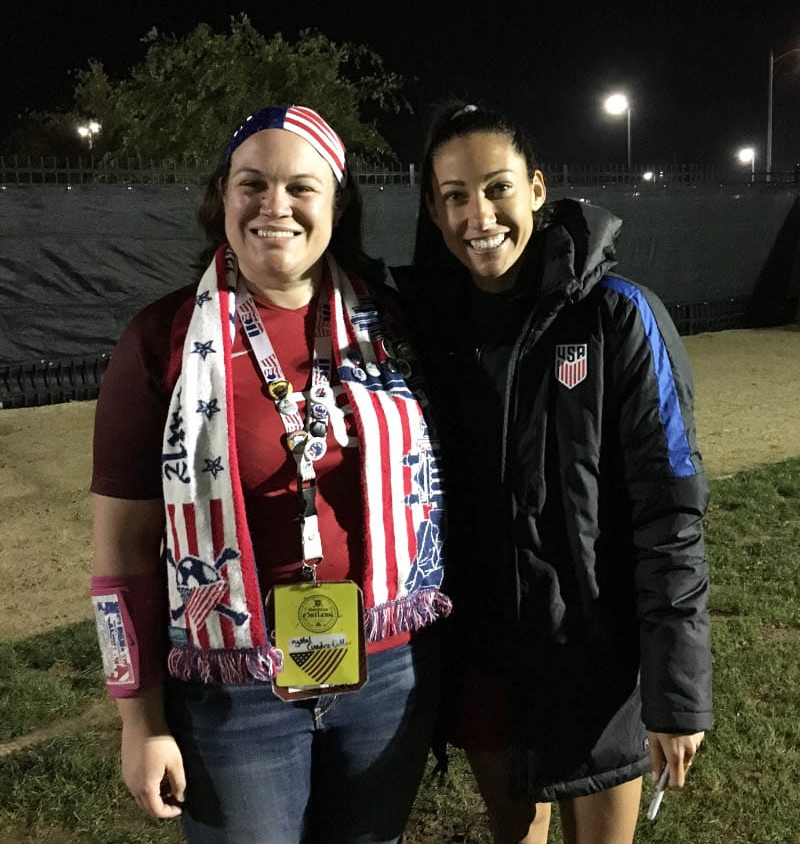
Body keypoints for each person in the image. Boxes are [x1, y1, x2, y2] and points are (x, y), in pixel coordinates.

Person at [90, 104, 450, 844]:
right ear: (222, 196)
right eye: (251, 184)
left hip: (383, 674)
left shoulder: (393, 322)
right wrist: (140, 719)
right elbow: (121, 552)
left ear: (338, 202)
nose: (274, 206)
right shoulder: (159, 340)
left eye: (301, 187)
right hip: (233, 690)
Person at [393, 102, 712, 844]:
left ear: (537, 189)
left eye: (498, 187)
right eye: (455, 195)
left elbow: (670, 511)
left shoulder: (619, 317)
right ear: (434, 213)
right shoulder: (422, 334)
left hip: (593, 665)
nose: (480, 214)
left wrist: (676, 692)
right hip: (484, 659)